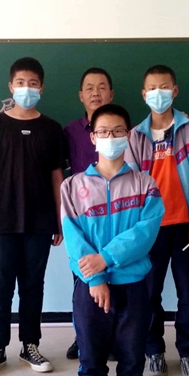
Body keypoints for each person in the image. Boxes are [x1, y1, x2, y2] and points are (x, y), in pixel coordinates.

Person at [61, 103, 164, 376]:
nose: (111, 137)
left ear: (129, 135)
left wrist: (105, 258)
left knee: (132, 354)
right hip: (90, 286)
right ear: (92, 138)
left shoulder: (145, 184)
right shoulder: (73, 186)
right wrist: (96, 278)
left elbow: (145, 233)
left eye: (118, 131)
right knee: (90, 355)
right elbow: (74, 240)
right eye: (103, 132)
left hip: (134, 283)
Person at [0, 57, 66, 376]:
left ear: (42, 88)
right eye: (21, 83)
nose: (27, 89)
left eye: (33, 83)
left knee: (32, 287)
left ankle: (30, 345)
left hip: (39, 221)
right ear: (11, 87)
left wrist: (60, 219)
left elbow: (57, 178)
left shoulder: (52, 129)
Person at [126, 65, 189, 376]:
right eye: (152, 88)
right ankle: (154, 349)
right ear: (143, 94)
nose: (158, 93)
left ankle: (188, 351)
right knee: (149, 293)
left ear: (174, 91)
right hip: (151, 228)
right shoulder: (135, 136)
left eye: (164, 87)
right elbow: (132, 183)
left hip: (186, 225)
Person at [63, 67, 115, 360]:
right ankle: (82, 337)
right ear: (81, 96)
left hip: (119, 214)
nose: (96, 93)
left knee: (117, 276)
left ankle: (115, 337)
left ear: (111, 94)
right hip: (82, 218)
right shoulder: (69, 132)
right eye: (90, 88)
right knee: (82, 279)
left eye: (102, 87)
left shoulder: (127, 131)